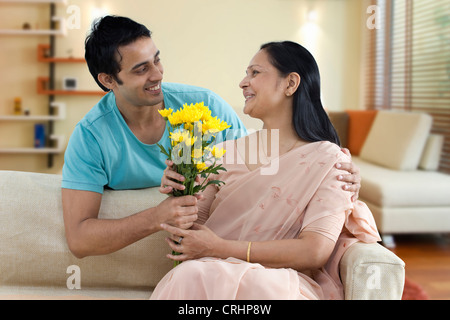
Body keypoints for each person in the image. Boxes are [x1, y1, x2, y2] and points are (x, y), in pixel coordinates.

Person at [61, 16, 360, 260]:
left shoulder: (205, 107)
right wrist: (156, 215)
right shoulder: (91, 138)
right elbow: (79, 239)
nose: (157, 74)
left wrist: (331, 169)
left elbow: (263, 175)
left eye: (157, 60)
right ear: (108, 80)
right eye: (141, 69)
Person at [151, 41, 380, 300]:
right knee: (189, 274)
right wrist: (180, 190)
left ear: (290, 84)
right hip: (207, 274)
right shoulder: (223, 152)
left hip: (279, 283)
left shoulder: (328, 160)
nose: (243, 82)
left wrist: (221, 247)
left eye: (255, 73)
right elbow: (190, 236)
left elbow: (314, 251)